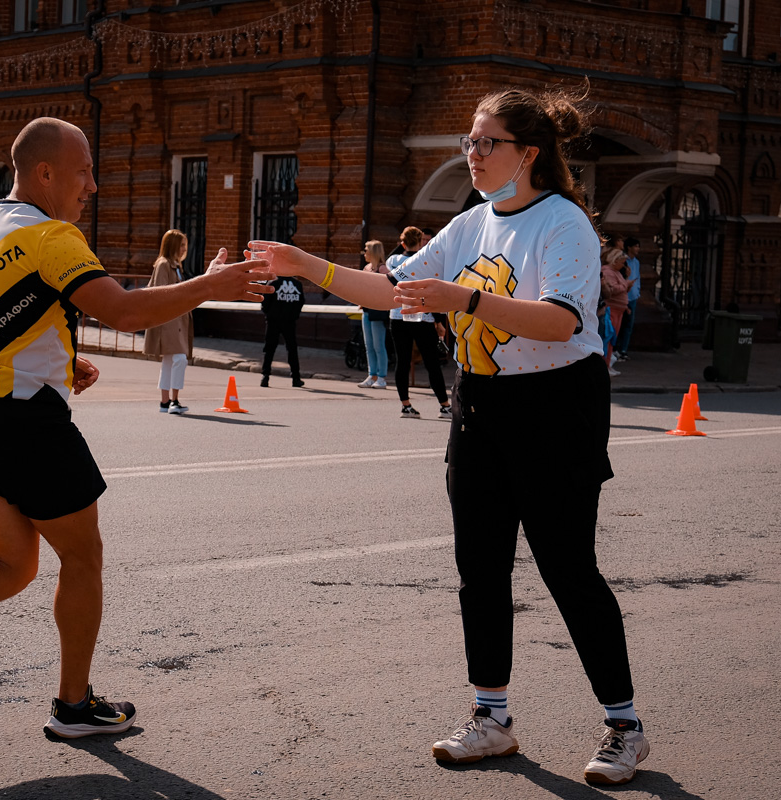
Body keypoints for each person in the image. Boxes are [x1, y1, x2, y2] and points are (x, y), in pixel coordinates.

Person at [249, 85, 649, 786]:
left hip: (556, 409)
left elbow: (561, 321)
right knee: (480, 568)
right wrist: (305, 264)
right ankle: (490, 718)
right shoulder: (473, 222)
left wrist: (461, 298)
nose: (472, 152)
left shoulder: (564, 224)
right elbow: (394, 288)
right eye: (468, 140)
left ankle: (626, 727)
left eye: (485, 142)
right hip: (481, 404)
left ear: (528, 153)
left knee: (567, 570)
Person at [0, 117, 273, 739]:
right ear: (45, 173)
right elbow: (126, 311)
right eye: (84, 171)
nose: (93, 186)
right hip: (25, 426)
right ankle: (73, 706)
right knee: (83, 556)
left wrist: (57, 360)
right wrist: (209, 285)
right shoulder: (54, 237)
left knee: (15, 564)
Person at [385, 226, 451, 419]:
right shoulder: (425, 262)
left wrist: (403, 245)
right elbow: (433, 292)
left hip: (397, 315)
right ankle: (444, 405)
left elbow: (392, 255)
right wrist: (439, 321)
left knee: (402, 361)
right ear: (421, 241)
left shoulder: (394, 260)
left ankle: (405, 405)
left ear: (403, 242)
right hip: (422, 316)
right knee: (432, 362)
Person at [145, 230, 194, 413]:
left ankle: (165, 402)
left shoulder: (175, 265)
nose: (183, 249)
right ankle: (174, 400)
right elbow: (161, 292)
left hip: (177, 319)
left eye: (184, 246)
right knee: (180, 358)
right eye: (181, 245)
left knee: (168, 360)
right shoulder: (164, 264)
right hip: (169, 320)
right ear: (172, 245)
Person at [259, 272, 306, 387]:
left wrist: (269, 314)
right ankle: (296, 378)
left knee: (269, 349)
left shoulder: (273, 283)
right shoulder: (297, 284)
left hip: (273, 321)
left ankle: (265, 377)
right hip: (290, 322)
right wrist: (294, 315)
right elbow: (301, 302)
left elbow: (264, 303)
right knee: (292, 349)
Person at [358, 240, 390, 389]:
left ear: (373, 252)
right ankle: (372, 374)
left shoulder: (383, 269)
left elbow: (389, 288)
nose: (365, 253)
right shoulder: (367, 268)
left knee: (379, 345)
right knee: (369, 345)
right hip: (366, 310)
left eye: (366, 250)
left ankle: (382, 377)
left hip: (378, 312)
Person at [601, 250, 634, 376]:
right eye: (622, 262)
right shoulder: (608, 272)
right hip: (612, 309)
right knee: (609, 338)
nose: (623, 265)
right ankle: (605, 365)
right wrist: (626, 284)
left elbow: (622, 289)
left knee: (612, 339)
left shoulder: (616, 272)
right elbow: (613, 290)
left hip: (619, 309)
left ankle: (608, 364)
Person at [612, 237, 641, 361]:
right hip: (622, 295)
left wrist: (637, 290)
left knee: (628, 325)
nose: (638, 249)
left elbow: (637, 277)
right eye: (636, 246)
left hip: (632, 296)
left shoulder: (637, 262)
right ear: (629, 247)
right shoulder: (623, 261)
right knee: (617, 324)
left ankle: (623, 349)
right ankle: (614, 349)